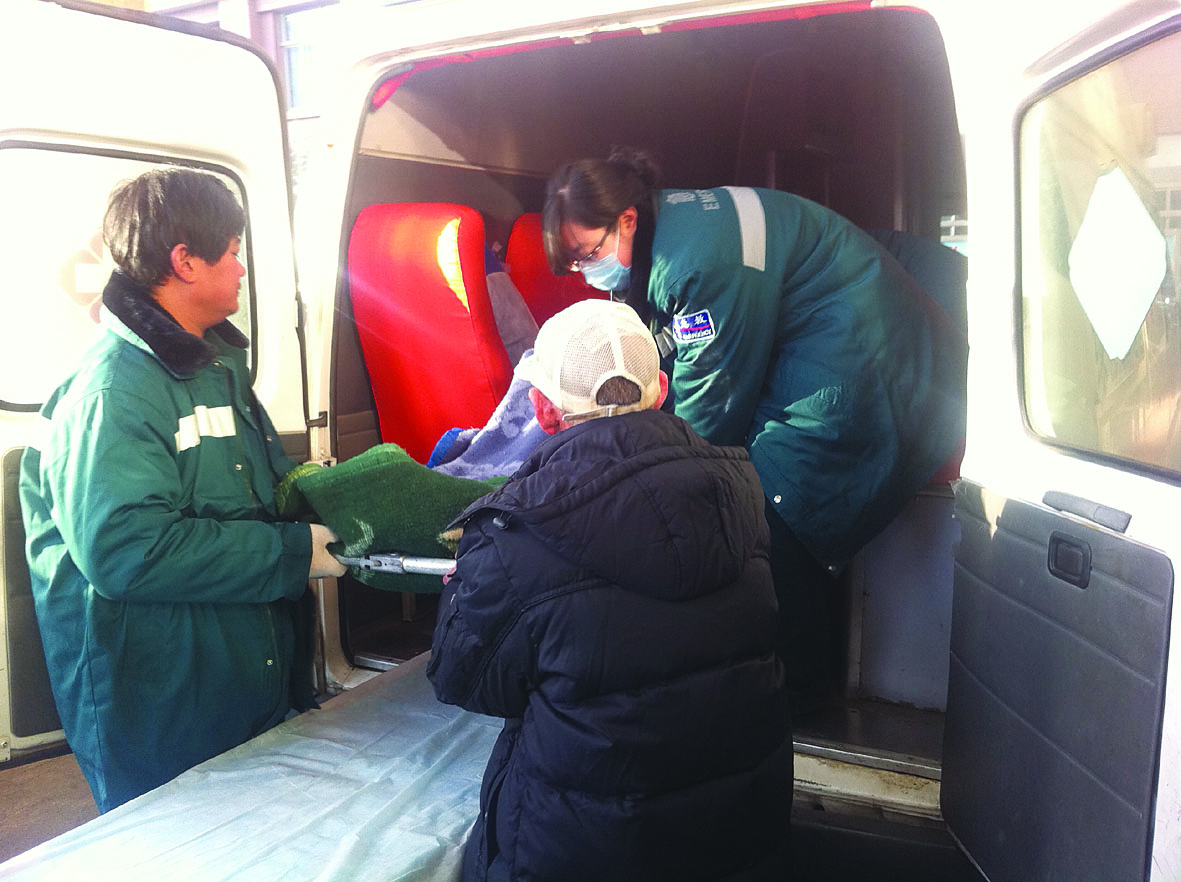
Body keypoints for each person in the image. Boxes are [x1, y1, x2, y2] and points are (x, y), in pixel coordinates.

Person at [542, 148, 967, 710]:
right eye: (575, 263)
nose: (588, 271)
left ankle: (800, 696)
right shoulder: (671, 224)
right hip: (838, 331)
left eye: (589, 253)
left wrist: (656, 477)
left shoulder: (693, 261)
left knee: (773, 502)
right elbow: (679, 346)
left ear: (626, 218)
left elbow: (713, 405)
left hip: (871, 355)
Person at [428, 299, 792, 882]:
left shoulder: (512, 532)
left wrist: (460, 591)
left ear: (543, 410)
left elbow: (463, 680)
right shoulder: (743, 492)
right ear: (661, 390)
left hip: (579, 855)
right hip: (740, 839)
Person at [19, 167, 347, 813]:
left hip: (238, 671)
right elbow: (127, 551)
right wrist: (292, 552)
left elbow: (265, 485)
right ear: (185, 261)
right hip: (162, 698)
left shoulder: (214, 365)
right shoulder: (113, 392)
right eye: (233, 251)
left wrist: (358, 504)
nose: (242, 268)